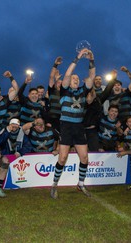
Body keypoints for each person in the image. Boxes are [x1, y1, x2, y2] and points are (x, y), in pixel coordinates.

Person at [50, 48, 95, 199]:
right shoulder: (64, 91)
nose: (75, 79)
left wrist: (91, 60)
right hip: (66, 126)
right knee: (62, 158)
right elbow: (68, 74)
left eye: (77, 78)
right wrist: (78, 58)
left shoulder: (83, 91)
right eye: (73, 78)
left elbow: (92, 76)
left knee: (84, 158)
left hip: (79, 127)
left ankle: (80, 184)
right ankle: (54, 185)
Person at [0, 118, 31, 197]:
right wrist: (7, 132)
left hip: (18, 155)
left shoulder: (22, 132)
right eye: (12, 125)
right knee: (4, 163)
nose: (14, 126)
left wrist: (19, 152)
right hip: (5, 154)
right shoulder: (4, 130)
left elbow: (28, 146)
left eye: (16, 125)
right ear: (9, 125)